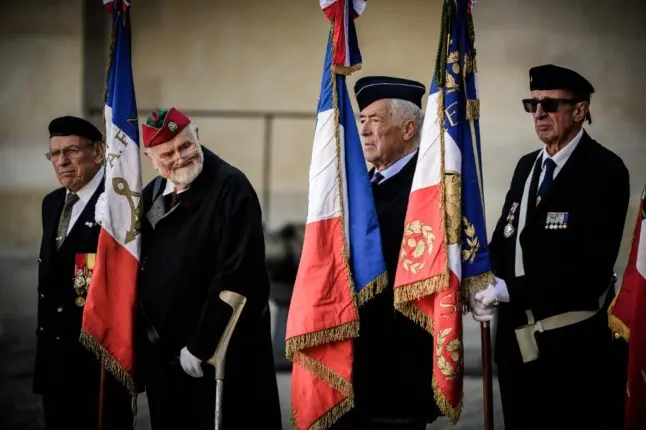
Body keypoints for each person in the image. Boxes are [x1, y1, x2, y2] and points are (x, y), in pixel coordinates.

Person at [470, 64, 630, 429]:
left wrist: (511, 290)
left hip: (571, 350)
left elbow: (590, 270)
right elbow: (504, 240)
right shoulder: (527, 166)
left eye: (550, 105)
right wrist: (482, 281)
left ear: (580, 110)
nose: (539, 114)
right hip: (517, 348)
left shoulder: (605, 170)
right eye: (533, 105)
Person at [126, 107, 281, 429]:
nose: (179, 157)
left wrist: (200, 346)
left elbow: (238, 274)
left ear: (197, 135)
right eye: (167, 154)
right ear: (151, 159)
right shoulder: (153, 192)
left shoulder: (230, 186)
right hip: (165, 356)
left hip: (215, 357)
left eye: (185, 145)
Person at [333, 76, 440, 428]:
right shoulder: (357, 187)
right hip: (350, 367)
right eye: (362, 120)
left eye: (375, 120)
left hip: (397, 371)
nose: (363, 130)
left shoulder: (426, 190)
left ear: (408, 129)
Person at [35, 116, 132, 429]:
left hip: (97, 361)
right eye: (54, 154)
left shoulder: (119, 201)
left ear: (99, 151)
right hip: (54, 355)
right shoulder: (52, 203)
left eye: (72, 151)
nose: (62, 161)